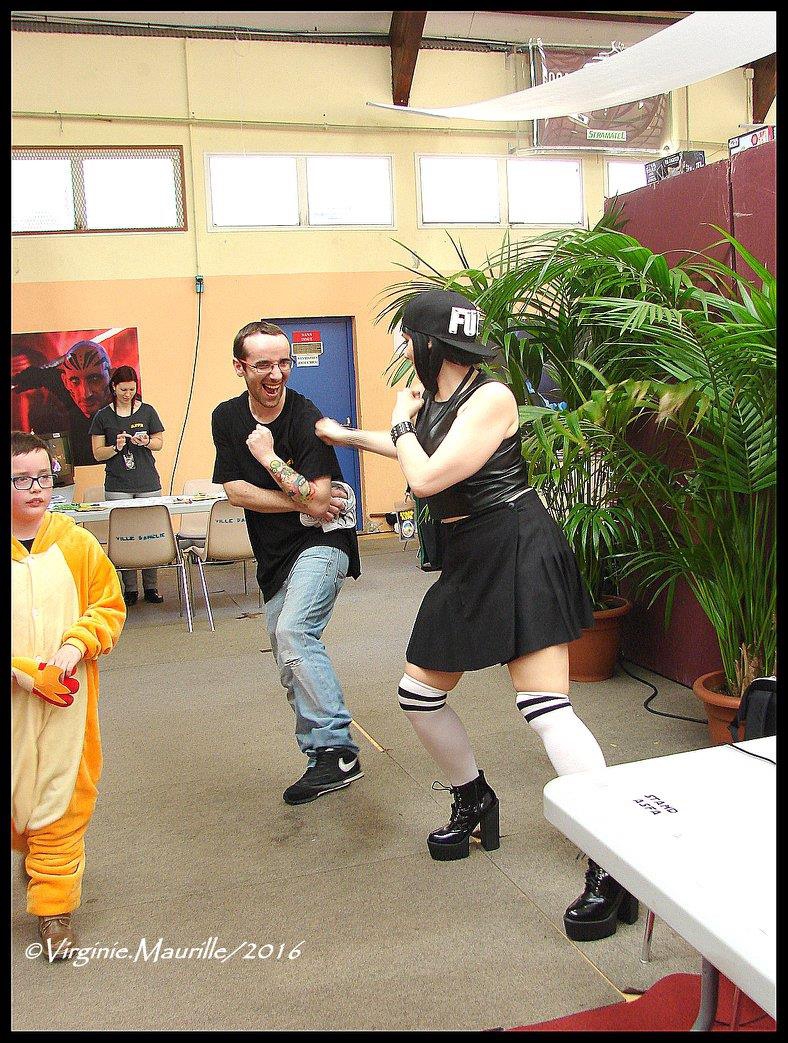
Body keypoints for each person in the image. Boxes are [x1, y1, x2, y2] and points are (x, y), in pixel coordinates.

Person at [315, 288, 637, 942]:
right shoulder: (437, 400)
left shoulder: (491, 398)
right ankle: (474, 797)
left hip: (517, 546)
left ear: (430, 343)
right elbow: (424, 446)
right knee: (418, 695)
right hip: (468, 555)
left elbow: (426, 476)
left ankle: (614, 863)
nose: (402, 347)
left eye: (407, 337)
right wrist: (349, 435)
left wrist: (399, 422)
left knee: (545, 707)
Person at [211, 320, 363, 806]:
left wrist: (268, 457)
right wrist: (301, 502)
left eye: (284, 363)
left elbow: (320, 504)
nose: (276, 374)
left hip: (325, 543)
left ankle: (337, 749)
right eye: (263, 365)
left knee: (295, 632)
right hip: (275, 554)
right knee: (287, 654)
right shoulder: (227, 417)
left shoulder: (305, 417)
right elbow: (236, 492)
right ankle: (321, 757)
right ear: (240, 368)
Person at [11, 431, 126, 961]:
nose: (37, 488)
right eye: (21, 480)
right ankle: (30, 851)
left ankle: (54, 909)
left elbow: (108, 606)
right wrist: (23, 672)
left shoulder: (77, 544)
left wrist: (75, 645)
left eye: (43, 476)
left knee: (62, 798)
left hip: (68, 707)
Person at [88, 366, 166, 605]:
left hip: (147, 481)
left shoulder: (148, 411)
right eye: (123, 390)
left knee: (151, 532)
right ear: (113, 387)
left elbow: (159, 442)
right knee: (125, 535)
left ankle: (151, 586)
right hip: (118, 483)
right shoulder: (103, 416)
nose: (127, 394)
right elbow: (97, 453)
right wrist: (116, 447)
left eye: (132, 389)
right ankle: (130, 588)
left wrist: (147, 441)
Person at [11, 340, 113, 466]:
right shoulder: (61, 384)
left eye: (95, 379)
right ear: (65, 382)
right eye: (75, 381)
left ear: (110, 376)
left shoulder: (127, 404)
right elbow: (43, 376)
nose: (85, 394)